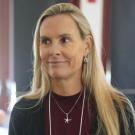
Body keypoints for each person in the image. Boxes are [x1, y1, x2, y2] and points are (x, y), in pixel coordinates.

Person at [9, 3, 135, 135]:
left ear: (87, 46)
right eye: (46, 41)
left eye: (64, 40)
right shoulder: (22, 112)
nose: (54, 51)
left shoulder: (119, 110)